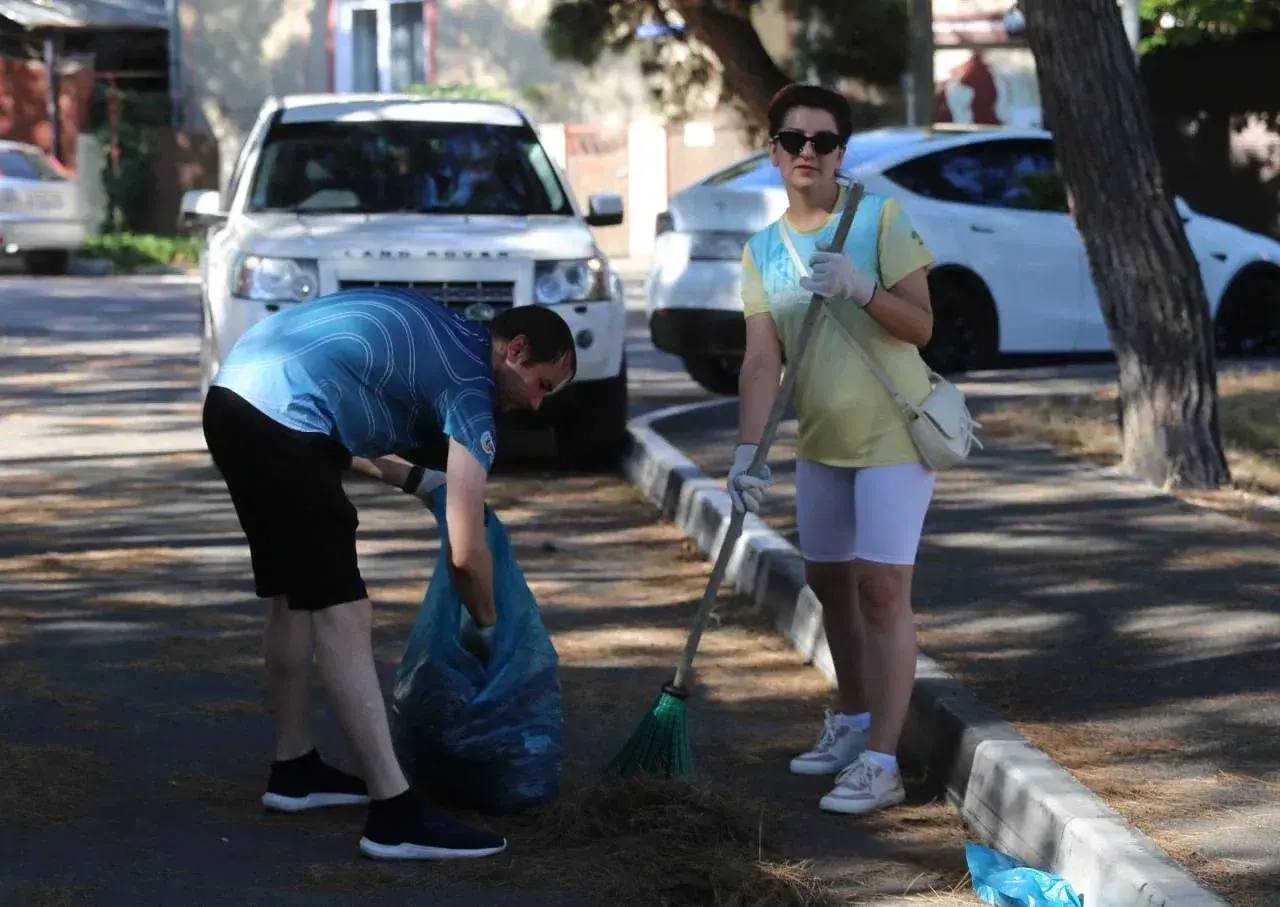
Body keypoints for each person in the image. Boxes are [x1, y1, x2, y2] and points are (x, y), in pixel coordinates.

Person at [201, 287, 576, 858]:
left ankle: (295, 768)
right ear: (517, 350)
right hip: (281, 420)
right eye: (543, 384)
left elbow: (339, 425)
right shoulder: (471, 386)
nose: (537, 404)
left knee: (293, 596)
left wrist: (417, 481)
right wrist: (487, 625)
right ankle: (394, 813)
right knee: (343, 610)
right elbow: (466, 552)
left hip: (236, 398)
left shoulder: (449, 336)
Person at [728, 84, 936, 816]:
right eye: (793, 140)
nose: (807, 152)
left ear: (841, 153)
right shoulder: (761, 251)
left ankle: (883, 760)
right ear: (773, 151)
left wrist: (862, 288)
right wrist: (748, 451)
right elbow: (762, 360)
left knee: (881, 590)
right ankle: (853, 719)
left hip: (893, 436)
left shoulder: (880, 219)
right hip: (821, 441)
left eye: (823, 141)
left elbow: (922, 325)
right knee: (827, 582)